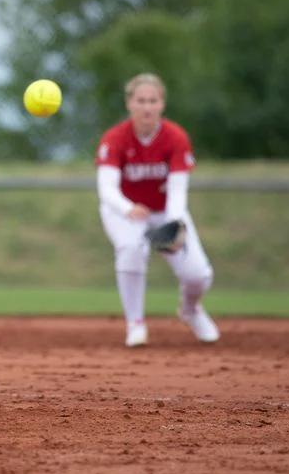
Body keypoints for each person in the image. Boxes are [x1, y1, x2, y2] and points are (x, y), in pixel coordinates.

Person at [94, 73, 220, 347]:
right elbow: (107, 190)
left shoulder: (175, 138)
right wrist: (128, 208)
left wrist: (173, 224)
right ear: (129, 104)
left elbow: (177, 190)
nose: (147, 107)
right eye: (141, 100)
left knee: (197, 275)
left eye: (153, 100)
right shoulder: (115, 138)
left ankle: (190, 309)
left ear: (162, 104)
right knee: (130, 248)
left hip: (166, 211)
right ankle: (135, 323)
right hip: (125, 211)